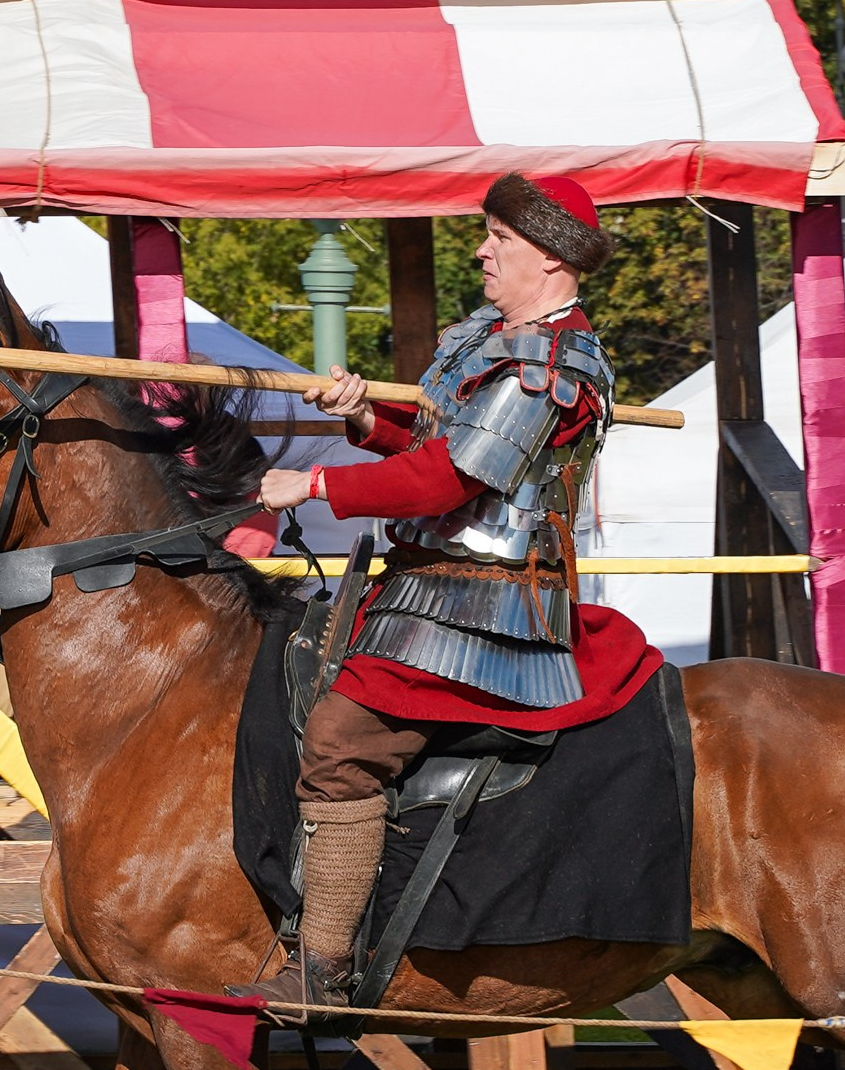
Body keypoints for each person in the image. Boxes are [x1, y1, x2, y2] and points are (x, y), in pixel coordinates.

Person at [234, 174, 663, 1004]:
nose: (482, 250)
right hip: (429, 582)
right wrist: (363, 419)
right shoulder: (493, 339)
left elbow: (447, 480)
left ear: (547, 254)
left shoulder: (549, 362)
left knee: (340, 737)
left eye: (498, 238)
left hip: (489, 600)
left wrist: (317, 484)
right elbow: (434, 438)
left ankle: (322, 969)